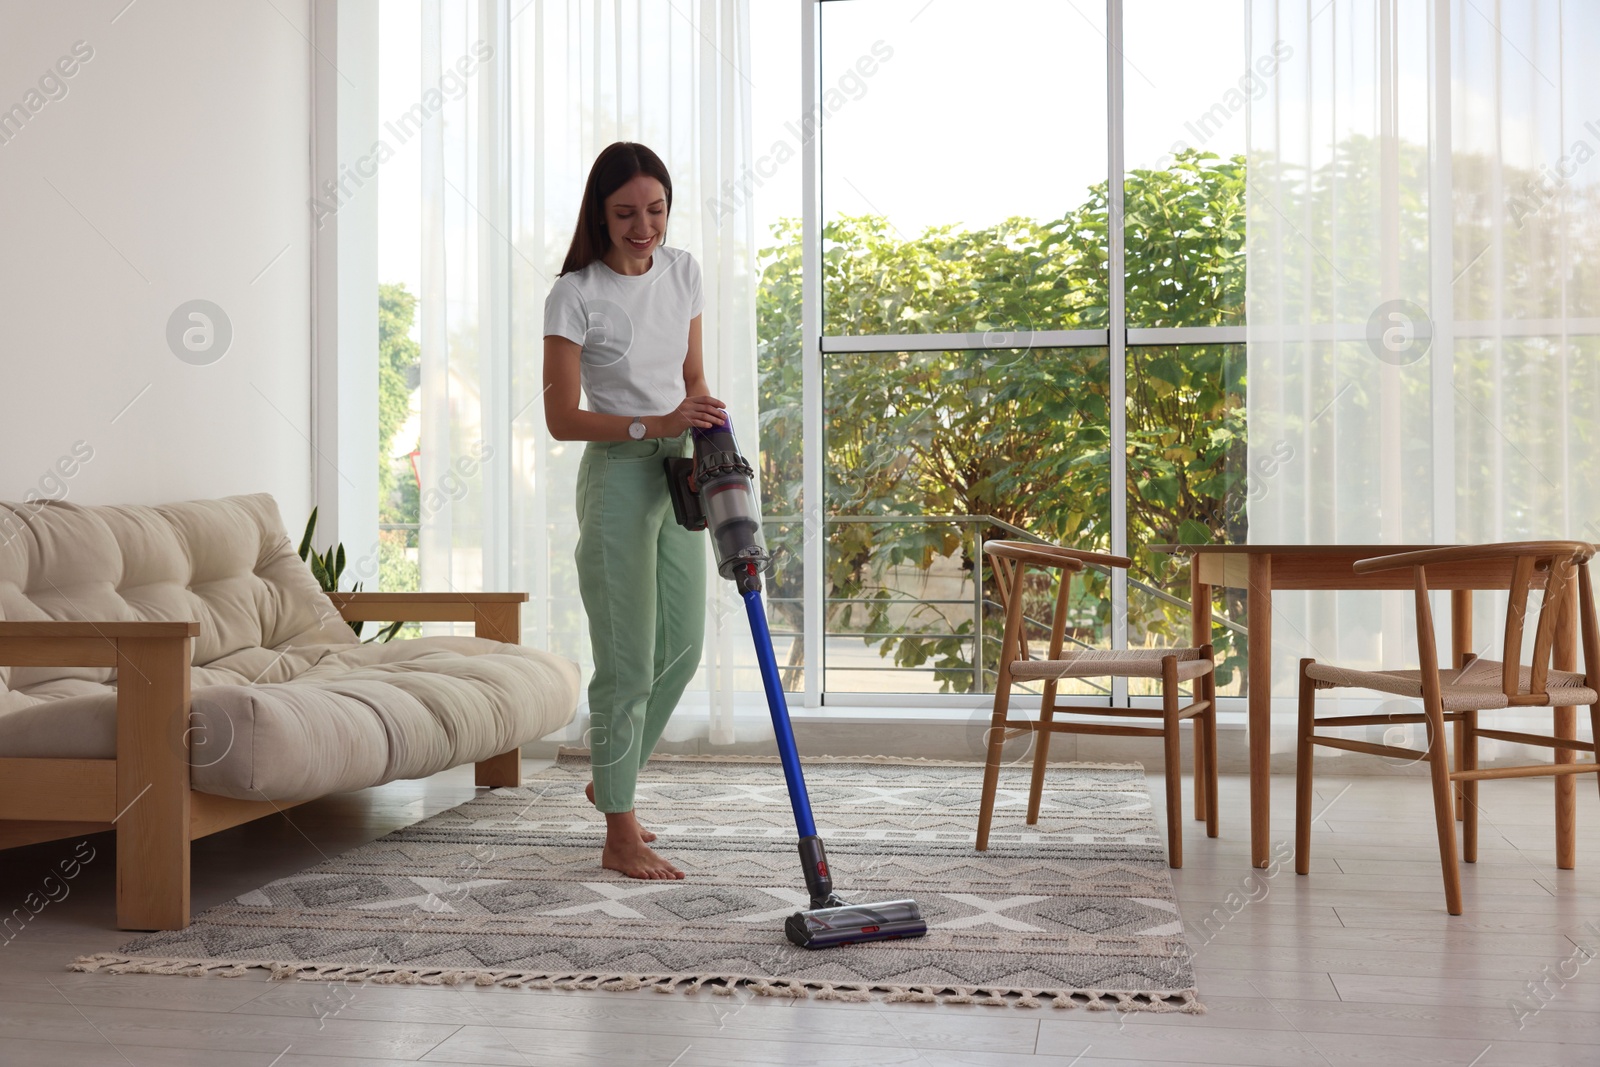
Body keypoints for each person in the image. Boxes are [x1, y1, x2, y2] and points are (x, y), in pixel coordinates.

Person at [542, 141, 723, 880]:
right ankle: (620, 832)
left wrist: (703, 422)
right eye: (626, 213)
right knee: (627, 661)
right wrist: (656, 423)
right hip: (617, 473)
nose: (643, 225)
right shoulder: (575, 293)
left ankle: (609, 780)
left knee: (681, 647)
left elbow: (691, 373)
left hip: (679, 471)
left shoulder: (682, 272)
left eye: (655, 210)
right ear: (601, 214)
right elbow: (561, 417)